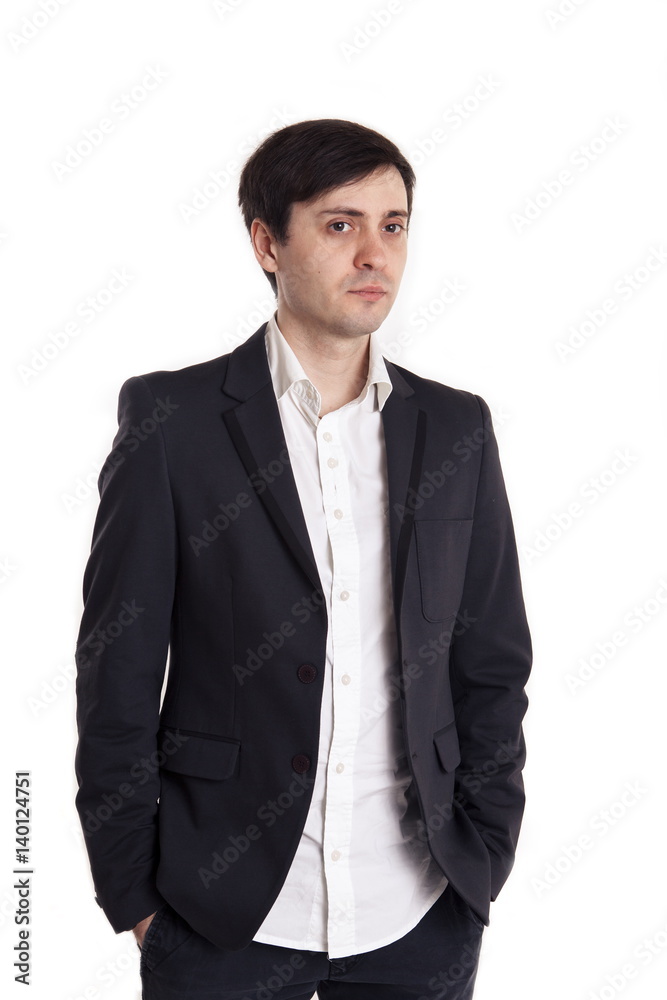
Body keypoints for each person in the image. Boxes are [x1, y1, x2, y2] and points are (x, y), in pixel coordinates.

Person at [74, 118, 532, 1000]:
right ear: (266, 243)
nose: (373, 253)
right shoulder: (174, 425)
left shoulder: (455, 430)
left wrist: (483, 854)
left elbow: (492, 659)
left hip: (417, 910)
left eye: (392, 224)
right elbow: (117, 674)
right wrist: (132, 893)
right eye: (339, 223)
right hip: (221, 916)